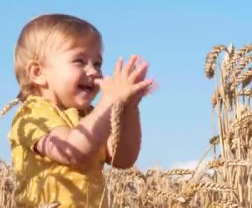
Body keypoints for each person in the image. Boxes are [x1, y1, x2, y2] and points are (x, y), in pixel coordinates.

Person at [9, 13, 154, 207]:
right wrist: (110, 101)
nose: (94, 71)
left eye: (97, 63)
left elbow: (123, 158)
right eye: (79, 61)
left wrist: (128, 108)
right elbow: (71, 150)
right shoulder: (32, 116)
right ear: (38, 73)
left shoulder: (90, 115)